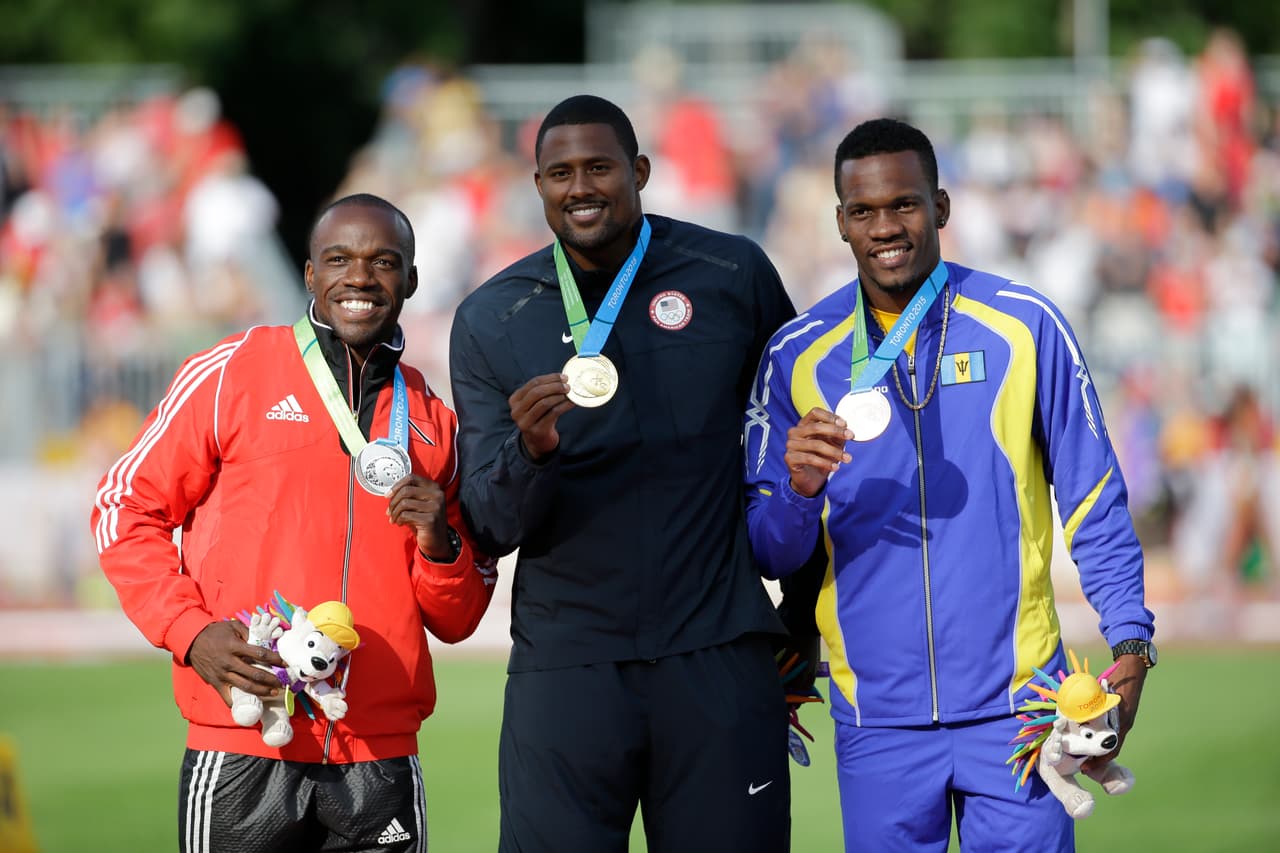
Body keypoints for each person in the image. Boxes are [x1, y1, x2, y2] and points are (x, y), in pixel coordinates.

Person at [743, 118, 1156, 852]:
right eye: (863, 211)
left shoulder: (1024, 326)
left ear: (940, 206)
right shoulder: (797, 356)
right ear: (840, 221)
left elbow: (1094, 499)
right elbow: (771, 549)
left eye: (903, 204)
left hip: (1021, 711)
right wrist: (800, 490)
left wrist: (1130, 641)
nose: (884, 227)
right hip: (878, 719)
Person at [90, 193, 496, 853]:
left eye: (382, 262)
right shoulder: (232, 372)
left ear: (412, 279)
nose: (359, 278)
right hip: (245, 738)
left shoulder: (431, 418)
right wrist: (191, 632)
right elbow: (123, 507)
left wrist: (440, 544)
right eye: (338, 260)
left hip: (379, 753)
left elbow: (457, 617)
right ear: (310, 274)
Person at [449, 94, 795, 852]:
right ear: (537, 185)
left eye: (600, 167)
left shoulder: (731, 272)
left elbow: (796, 446)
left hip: (717, 653)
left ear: (639, 170)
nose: (581, 187)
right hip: (568, 663)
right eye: (560, 173)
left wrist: (798, 618)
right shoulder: (492, 316)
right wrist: (531, 451)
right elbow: (487, 523)